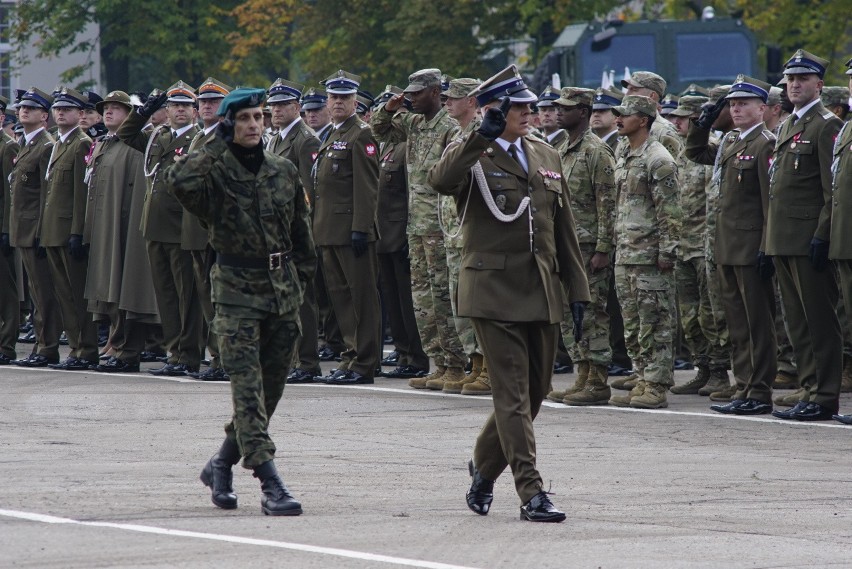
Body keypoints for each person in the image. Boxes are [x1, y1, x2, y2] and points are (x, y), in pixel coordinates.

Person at [428, 65, 590, 523]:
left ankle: (482, 468)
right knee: (513, 396)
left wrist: (577, 290)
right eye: (517, 106)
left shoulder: (544, 154)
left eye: (528, 105)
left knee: (536, 393)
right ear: (491, 109)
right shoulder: (469, 152)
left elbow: (564, 228)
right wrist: (480, 136)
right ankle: (531, 490)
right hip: (492, 289)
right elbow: (440, 182)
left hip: (540, 288)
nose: (528, 112)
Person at [167, 87, 315, 516]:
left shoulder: (283, 170)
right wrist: (216, 139)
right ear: (231, 124)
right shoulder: (213, 171)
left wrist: (300, 283)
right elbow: (179, 181)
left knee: (270, 392)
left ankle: (220, 464)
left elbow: (302, 236)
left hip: (282, 293)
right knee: (247, 392)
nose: (254, 125)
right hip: (235, 292)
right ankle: (271, 483)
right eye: (245, 118)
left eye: (259, 117)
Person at [686, 76, 778, 414]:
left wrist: (767, 247)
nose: (736, 109)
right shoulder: (731, 141)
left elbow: (770, 203)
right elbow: (695, 152)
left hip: (751, 246)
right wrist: (702, 123)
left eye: (743, 103)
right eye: (732, 104)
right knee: (737, 323)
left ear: (763, 109)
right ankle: (744, 385)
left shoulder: (765, 144)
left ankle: (759, 389)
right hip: (725, 245)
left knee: (757, 323)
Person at [371, 68, 467, 391]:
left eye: (417, 93)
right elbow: (378, 129)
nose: (410, 97)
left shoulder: (449, 128)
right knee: (423, 300)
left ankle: (456, 364)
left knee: (443, 299)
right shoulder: (412, 124)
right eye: (408, 92)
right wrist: (389, 107)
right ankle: (437, 362)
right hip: (416, 227)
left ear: (436, 92)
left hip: (440, 227)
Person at [765, 50, 843, 422]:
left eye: (802, 79)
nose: (794, 85)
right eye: (790, 80)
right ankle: (810, 389)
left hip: (807, 237)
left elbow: (832, 190)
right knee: (797, 322)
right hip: (783, 238)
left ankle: (825, 394)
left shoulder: (825, 125)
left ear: (819, 85)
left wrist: (822, 235)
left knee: (818, 321)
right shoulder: (788, 124)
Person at [118, 81, 203, 376]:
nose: (180, 110)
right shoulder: (157, 136)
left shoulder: (198, 138)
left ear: (195, 112)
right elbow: (125, 134)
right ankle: (175, 351)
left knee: (186, 295)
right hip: (154, 225)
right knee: (165, 294)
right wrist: (142, 113)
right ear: (166, 111)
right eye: (174, 105)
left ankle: (189, 353)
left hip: (181, 226)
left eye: (186, 106)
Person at [607, 95, 681, 410]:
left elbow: (671, 213)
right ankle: (642, 378)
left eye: (626, 115)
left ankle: (657, 384)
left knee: (656, 321)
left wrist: (668, 252)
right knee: (633, 322)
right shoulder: (625, 153)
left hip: (650, 256)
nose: (618, 119)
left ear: (644, 120)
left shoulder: (658, 158)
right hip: (626, 254)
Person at [546, 87, 616, 406]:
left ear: (584, 112)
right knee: (569, 314)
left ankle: (598, 380)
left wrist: (603, 248)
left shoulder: (596, 151)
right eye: (557, 107)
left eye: (567, 107)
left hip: (589, 249)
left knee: (592, 313)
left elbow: (608, 203)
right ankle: (582, 375)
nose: (559, 111)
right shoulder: (563, 148)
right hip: (567, 245)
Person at [312, 70, 381, 385]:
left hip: (351, 231)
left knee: (360, 299)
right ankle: (350, 357)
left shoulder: (361, 134)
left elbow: (367, 187)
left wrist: (361, 229)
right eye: (334, 97)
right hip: (328, 230)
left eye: (344, 98)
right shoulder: (333, 133)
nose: (338, 102)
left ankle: (364, 362)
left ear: (355, 101)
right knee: (341, 298)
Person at [85, 91, 160, 373]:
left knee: (129, 289)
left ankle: (128, 348)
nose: (108, 112)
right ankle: (118, 345)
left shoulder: (134, 143)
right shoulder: (106, 144)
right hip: (108, 225)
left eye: (116, 108)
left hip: (130, 226)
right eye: (106, 108)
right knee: (111, 289)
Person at [666, 95, 732, 397]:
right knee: (689, 315)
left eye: (686, 118)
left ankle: (720, 372)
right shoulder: (679, 154)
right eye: (677, 117)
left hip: (705, 245)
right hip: (682, 244)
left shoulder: (713, 152)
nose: (678, 122)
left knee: (711, 314)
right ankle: (702, 369)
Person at [263, 78, 323, 384]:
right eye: (273, 105)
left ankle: (309, 361)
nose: (276, 110)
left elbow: (309, 193)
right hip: (276, 229)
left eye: (283, 104)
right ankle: (292, 358)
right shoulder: (274, 139)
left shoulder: (305, 139)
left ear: (296, 107)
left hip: (295, 230)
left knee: (302, 298)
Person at [373, 86, 429, 381]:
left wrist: (410, 232)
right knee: (393, 300)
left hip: (402, 233)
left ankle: (416, 356)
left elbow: (412, 194)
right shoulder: (385, 146)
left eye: (396, 113)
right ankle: (404, 351)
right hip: (384, 233)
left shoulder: (408, 146)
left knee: (408, 302)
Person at [40, 87, 98, 371]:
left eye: (67, 109)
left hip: (68, 232)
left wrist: (78, 232)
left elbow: (80, 193)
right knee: (64, 294)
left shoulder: (81, 143)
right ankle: (75, 347)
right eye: (58, 109)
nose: (60, 113)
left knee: (75, 295)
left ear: (80, 114)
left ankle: (86, 349)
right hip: (53, 230)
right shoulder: (59, 143)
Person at [182, 77, 231, 381]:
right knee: (206, 298)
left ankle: (225, 359)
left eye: (213, 102)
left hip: (216, 232)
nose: (207, 106)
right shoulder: (199, 138)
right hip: (196, 230)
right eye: (203, 102)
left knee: (219, 299)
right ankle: (217, 357)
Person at [9, 88, 60, 367]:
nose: (24, 111)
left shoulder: (46, 146)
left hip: (35, 231)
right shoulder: (26, 144)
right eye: (22, 107)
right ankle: (42, 344)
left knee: (43, 293)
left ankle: (46, 347)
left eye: (32, 108)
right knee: (36, 292)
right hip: (23, 230)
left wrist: (42, 232)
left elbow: (45, 196)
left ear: (44, 116)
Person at [0, 95, 20, 365]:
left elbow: (9, 194)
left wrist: (6, 230)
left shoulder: (8, 147)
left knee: (5, 290)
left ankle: (6, 344)